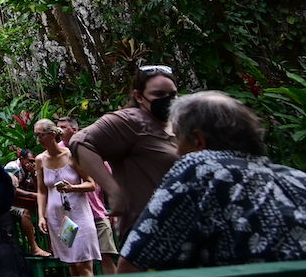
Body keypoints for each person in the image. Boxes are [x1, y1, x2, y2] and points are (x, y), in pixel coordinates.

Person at [118, 91, 306, 272]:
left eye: (178, 139)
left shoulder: (201, 165)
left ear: (199, 140)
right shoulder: (297, 178)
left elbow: (134, 262)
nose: (176, 151)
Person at [68, 64, 179, 241]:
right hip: (148, 228)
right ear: (138, 96)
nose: (167, 99)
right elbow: (81, 141)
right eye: (158, 94)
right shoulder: (130, 121)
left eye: (172, 94)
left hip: (185, 225)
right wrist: (113, 191)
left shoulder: (179, 122)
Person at [34, 119, 98, 276]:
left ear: (52, 134)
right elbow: (42, 190)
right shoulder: (40, 160)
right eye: (36, 135)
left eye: (40, 135)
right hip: (59, 219)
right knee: (72, 264)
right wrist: (42, 216)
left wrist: (72, 188)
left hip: (78, 215)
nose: (38, 139)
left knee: (83, 262)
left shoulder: (71, 155)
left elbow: (91, 184)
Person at [56, 115, 117, 273]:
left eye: (63, 127)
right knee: (73, 260)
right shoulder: (55, 154)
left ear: (74, 129)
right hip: (70, 215)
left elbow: (108, 183)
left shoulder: (90, 148)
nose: (59, 130)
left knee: (106, 255)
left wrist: (115, 210)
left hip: (97, 213)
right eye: (57, 127)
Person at [4, 149, 50, 257]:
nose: (32, 163)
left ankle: (51, 246)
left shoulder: (30, 170)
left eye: (33, 161)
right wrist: (32, 195)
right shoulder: (13, 167)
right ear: (21, 159)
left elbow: (39, 189)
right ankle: (34, 248)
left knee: (46, 209)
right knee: (25, 213)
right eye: (29, 161)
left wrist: (34, 174)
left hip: (19, 201)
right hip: (6, 202)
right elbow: (9, 189)